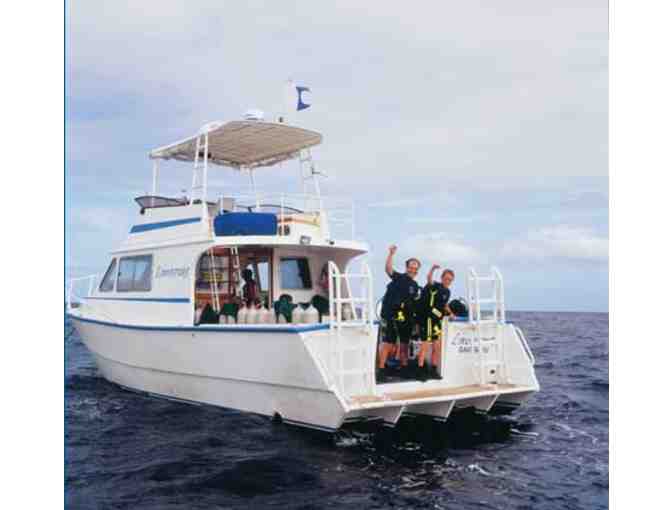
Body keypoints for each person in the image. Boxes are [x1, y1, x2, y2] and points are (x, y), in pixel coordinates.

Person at [377, 245, 421, 381]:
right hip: (392, 315)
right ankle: (381, 370)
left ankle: (404, 368)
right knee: (389, 342)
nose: (413, 270)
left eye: (415, 268)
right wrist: (391, 254)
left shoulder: (415, 285)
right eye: (411, 267)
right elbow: (388, 269)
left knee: (404, 344)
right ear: (406, 267)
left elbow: (414, 303)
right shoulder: (399, 278)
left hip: (406, 318)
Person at [417, 265, 455, 380]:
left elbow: (444, 304)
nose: (447, 281)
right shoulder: (435, 286)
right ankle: (420, 371)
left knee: (437, 346)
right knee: (425, 345)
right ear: (442, 278)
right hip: (428, 319)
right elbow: (429, 279)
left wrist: (451, 313)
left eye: (450, 280)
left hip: (437, 321)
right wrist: (432, 269)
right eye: (446, 278)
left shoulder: (447, 292)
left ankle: (433, 370)